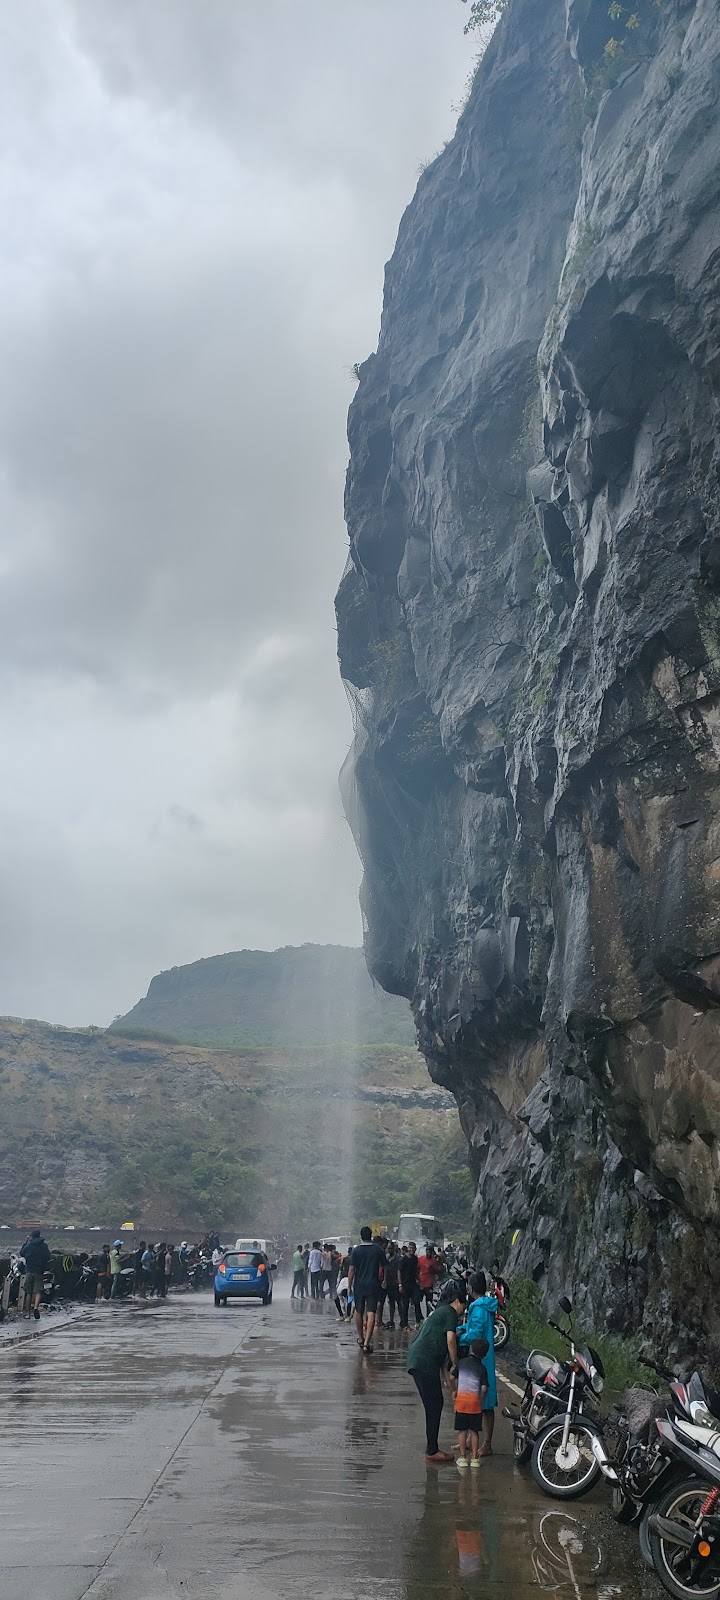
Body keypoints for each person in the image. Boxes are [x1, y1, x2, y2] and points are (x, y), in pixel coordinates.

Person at [406, 1278, 466, 1464]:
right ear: (457, 1301)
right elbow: (450, 1341)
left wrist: (452, 1388)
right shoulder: (449, 1313)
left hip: (418, 1360)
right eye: (464, 1306)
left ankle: (432, 1446)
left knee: (435, 1403)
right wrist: (456, 1363)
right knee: (434, 1405)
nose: (464, 1310)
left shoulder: (438, 1313)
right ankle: (431, 1450)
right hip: (424, 1362)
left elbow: (442, 1364)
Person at [458, 1272, 498, 1457]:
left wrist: (460, 1338)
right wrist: (462, 1329)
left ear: (471, 1288)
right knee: (479, 1400)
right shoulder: (484, 1305)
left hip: (480, 1356)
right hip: (485, 1355)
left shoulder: (479, 1307)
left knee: (483, 1402)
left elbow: (476, 1333)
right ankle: (471, 1441)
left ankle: (487, 1444)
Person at [348, 1225, 386, 1353]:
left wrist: (349, 1285)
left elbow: (352, 1269)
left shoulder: (356, 1251)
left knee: (358, 1311)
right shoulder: (377, 1250)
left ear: (361, 1236)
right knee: (371, 1313)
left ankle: (360, 1337)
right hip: (373, 1284)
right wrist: (384, 1280)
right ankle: (366, 1343)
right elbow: (385, 1265)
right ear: (370, 1236)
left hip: (359, 1284)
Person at [454, 1337, 490, 1468]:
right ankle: (475, 1458)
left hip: (461, 1402)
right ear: (485, 1355)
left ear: (470, 1349)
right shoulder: (482, 1368)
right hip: (475, 1403)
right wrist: (482, 1401)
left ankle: (463, 1458)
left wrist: (455, 1391)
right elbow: (485, 1388)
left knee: (462, 1431)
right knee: (474, 1432)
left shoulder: (461, 1363)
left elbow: (453, 1377)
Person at [19, 1228, 50, 1321]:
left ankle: (28, 1313)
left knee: (28, 1292)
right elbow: (48, 1256)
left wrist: (25, 1242)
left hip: (29, 1270)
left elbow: (22, 1254)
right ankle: (36, 1307)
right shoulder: (44, 1245)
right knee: (38, 1291)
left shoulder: (29, 1245)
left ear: (32, 1236)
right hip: (39, 1271)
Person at [399, 1241, 423, 1328]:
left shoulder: (415, 1259)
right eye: (410, 1248)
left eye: (413, 1248)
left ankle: (417, 1321)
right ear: (408, 1249)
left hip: (413, 1284)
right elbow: (399, 1272)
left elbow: (416, 1271)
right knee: (405, 1305)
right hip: (405, 1285)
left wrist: (420, 1282)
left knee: (417, 1302)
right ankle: (405, 1324)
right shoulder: (403, 1259)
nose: (411, 1250)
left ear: (415, 1249)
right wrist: (400, 1284)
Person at [417, 1244, 441, 1313]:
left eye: (430, 1251)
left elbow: (438, 1270)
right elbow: (417, 1269)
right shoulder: (420, 1259)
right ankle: (419, 1315)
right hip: (421, 1283)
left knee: (429, 1302)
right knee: (417, 1300)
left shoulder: (434, 1261)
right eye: (427, 1251)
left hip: (429, 1284)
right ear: (425, 1251)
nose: (428, 1253)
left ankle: (428, 1315)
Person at [384, 1242, 401, 1328]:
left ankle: (402, 1320)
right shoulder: (386, 1258)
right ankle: (391, 1320)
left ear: (394, 1249)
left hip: (396, 1283)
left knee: (399, 1302)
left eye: (391, 1248)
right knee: (391, 1303)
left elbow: (400, 1270)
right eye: (388, 1248)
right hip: (389, 1283)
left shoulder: (398, 1258)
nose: (390, 1250)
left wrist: (400, 1283)